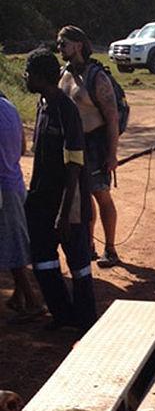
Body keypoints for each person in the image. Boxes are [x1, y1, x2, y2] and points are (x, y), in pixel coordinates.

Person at [24, 47, 97, 331]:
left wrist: (64, 214)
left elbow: (74, 165)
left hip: (69, 204)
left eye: (29, 74)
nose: (25, 77)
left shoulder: (66, 110)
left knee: (79, 265)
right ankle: (62, 316)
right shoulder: (42, 105)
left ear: (42, 77)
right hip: (42, 201)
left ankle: (86, 322)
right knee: (43, 261)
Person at [58, 25, 121, 267]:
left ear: (78, 45)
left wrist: (112, 154)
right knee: (82, 198)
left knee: (101, 195)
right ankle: (89, 246)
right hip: (72, 147)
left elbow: (112, 117)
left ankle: (111, 249)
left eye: (64, 44)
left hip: (95, 146)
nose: (60, 48)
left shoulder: (98, 77)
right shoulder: (63, 74)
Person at [0, 91, 41, 318]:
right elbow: (23, 149)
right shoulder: (10, 107)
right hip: (14, 183)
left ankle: (33, 302)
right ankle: (19, 295)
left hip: (3, 190)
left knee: (13, 248)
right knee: (13, 242)